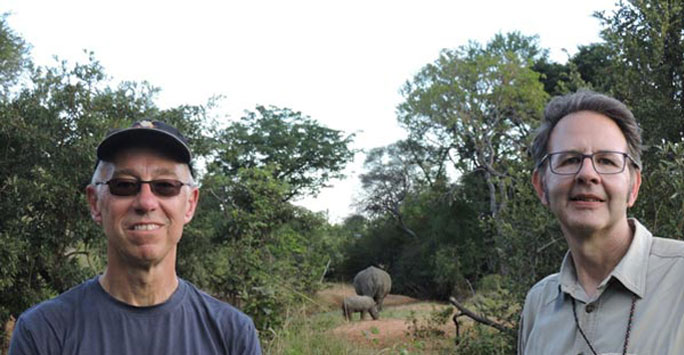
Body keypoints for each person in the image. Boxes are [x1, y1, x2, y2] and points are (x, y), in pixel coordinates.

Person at [9, 121, 262, 354]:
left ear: (190, 204)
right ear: (95, 203)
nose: (146, 202)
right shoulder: (42, 333)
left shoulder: (233, 334)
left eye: (165, 186)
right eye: (124, 185)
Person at [517, 90, 684, 354]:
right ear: (541, 186)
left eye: (606, 161)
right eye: (570, 160)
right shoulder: (539, 304)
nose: (587, 174)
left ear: (634, 187)